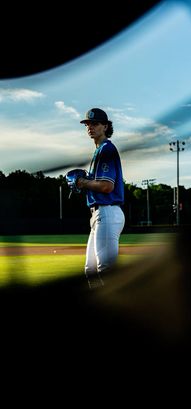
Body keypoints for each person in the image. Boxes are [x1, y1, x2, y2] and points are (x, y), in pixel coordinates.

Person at [77, 108, 125, 288]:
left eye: (95, 123)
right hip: (100, 215)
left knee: (106, 271)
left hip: (108, 212)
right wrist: (87, 181)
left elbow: (107, 186)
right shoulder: (99, 151)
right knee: (91, 270)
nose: (90, 126)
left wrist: (82, 182)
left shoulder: (106, 149)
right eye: (88, 124)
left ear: (105, 126)